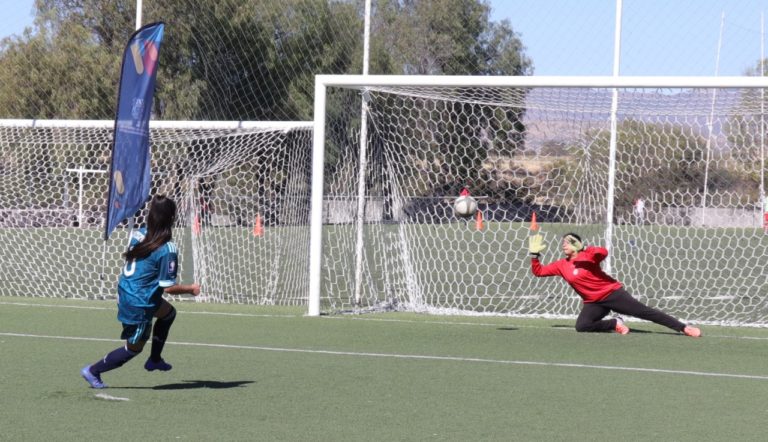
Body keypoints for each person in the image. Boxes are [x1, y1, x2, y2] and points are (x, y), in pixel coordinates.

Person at [81, 195, 200, 389]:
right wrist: (191, 289)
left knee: (168, 313)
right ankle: (93, 371)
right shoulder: (167, 248)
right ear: (171, 218)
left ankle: (155, 360)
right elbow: (168, 287)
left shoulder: (139, 233)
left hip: (130, 290)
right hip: (139, 302)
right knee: (133, 348)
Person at [528, 232, 701, 337]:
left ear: (576, 245)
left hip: (612, 293)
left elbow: (603, 252)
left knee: (645, 312)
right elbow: (539, 272)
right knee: (582, 326)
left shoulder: (587, 256)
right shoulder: (561, 265)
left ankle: (684, 328)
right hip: (592, 302)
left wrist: (585, 248)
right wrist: (534, 255)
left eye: (569, 241)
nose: (564, 244)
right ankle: (614, 323)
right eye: (564, 241)